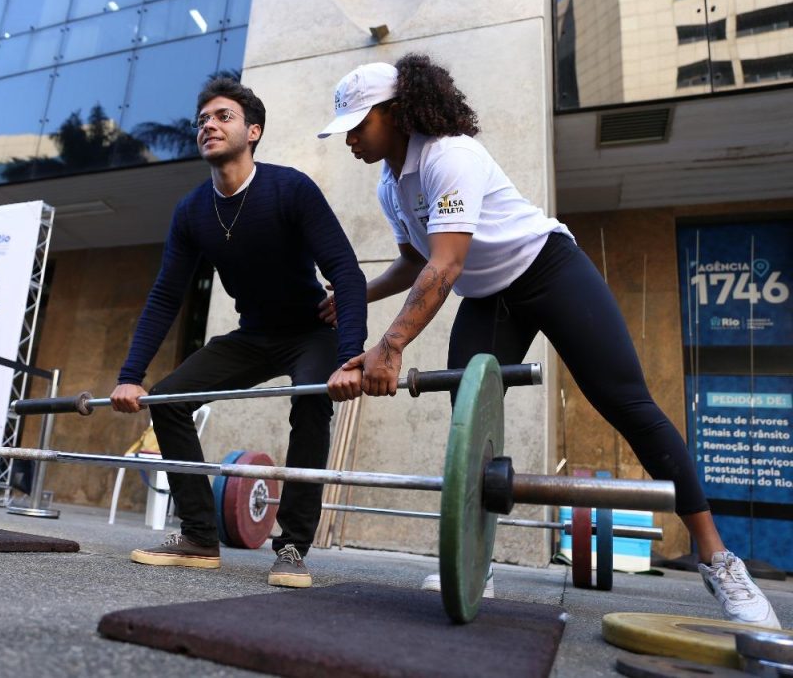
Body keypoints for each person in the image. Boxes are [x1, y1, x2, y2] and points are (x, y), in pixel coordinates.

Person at [317, 55, 780, 628]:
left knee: (627, 404)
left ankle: (720, 560)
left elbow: (445, 264)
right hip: (489, 299)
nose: (351, 140)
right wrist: (360, 291)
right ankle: (475, 557)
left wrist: (390, 347)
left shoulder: (448, 154)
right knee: (470, 422)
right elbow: (414, 261)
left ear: (394, 112)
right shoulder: (391, 185)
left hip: (549, 270)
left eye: (359, 125)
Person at [111, 76, 367, 588]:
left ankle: (292, 546)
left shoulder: (290, 188)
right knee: (167, 400)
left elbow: (345, 270)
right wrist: (131, 375)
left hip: (310, 331)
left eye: (223, 116)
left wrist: (350, 357)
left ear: (254, 131)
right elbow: (166, 295)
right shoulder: (192, 211)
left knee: (311, 399)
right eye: (202, 119)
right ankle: (201, 536)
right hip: (254, 335)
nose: (209, 125)